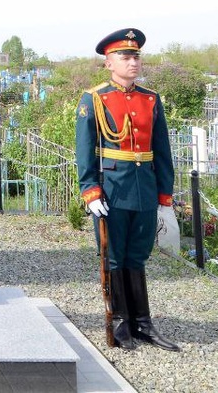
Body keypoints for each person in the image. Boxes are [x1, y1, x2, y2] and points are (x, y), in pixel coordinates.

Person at [75, 28, 180, 352]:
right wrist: (90, 191)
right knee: (115, 257)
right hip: (113, 190)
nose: (133, 62)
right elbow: (84, 150)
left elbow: (161, 151)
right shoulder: (94, 98)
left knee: (138, 255)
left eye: (136, 56)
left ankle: (143, 324)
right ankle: (121, 324)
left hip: (144, 189)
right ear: (109, 63)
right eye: (125, 56)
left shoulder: (151, 99)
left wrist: (165, 197)